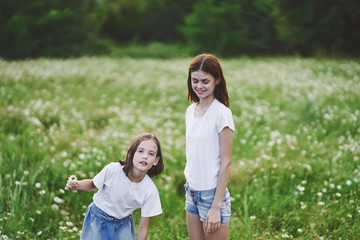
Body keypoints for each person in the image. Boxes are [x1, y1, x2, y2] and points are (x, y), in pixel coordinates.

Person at [65, 133, 164, 240]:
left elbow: (143, 228)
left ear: (155, 161)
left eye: (151, 154)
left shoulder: (150, 191)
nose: (145, 156)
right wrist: (77, 184)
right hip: (98, 218)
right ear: (131, 153)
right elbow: (93, 184)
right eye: (140, 151)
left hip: (123, 224)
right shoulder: (113, 170)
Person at [184, 54, 234, 240]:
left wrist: (216, 206)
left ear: (217, 80)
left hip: (212, 194)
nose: (199, 86)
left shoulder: (222, 114)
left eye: (205, 81)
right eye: (195, 81)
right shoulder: (191, 111)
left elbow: (226, 163)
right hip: (191, 191)